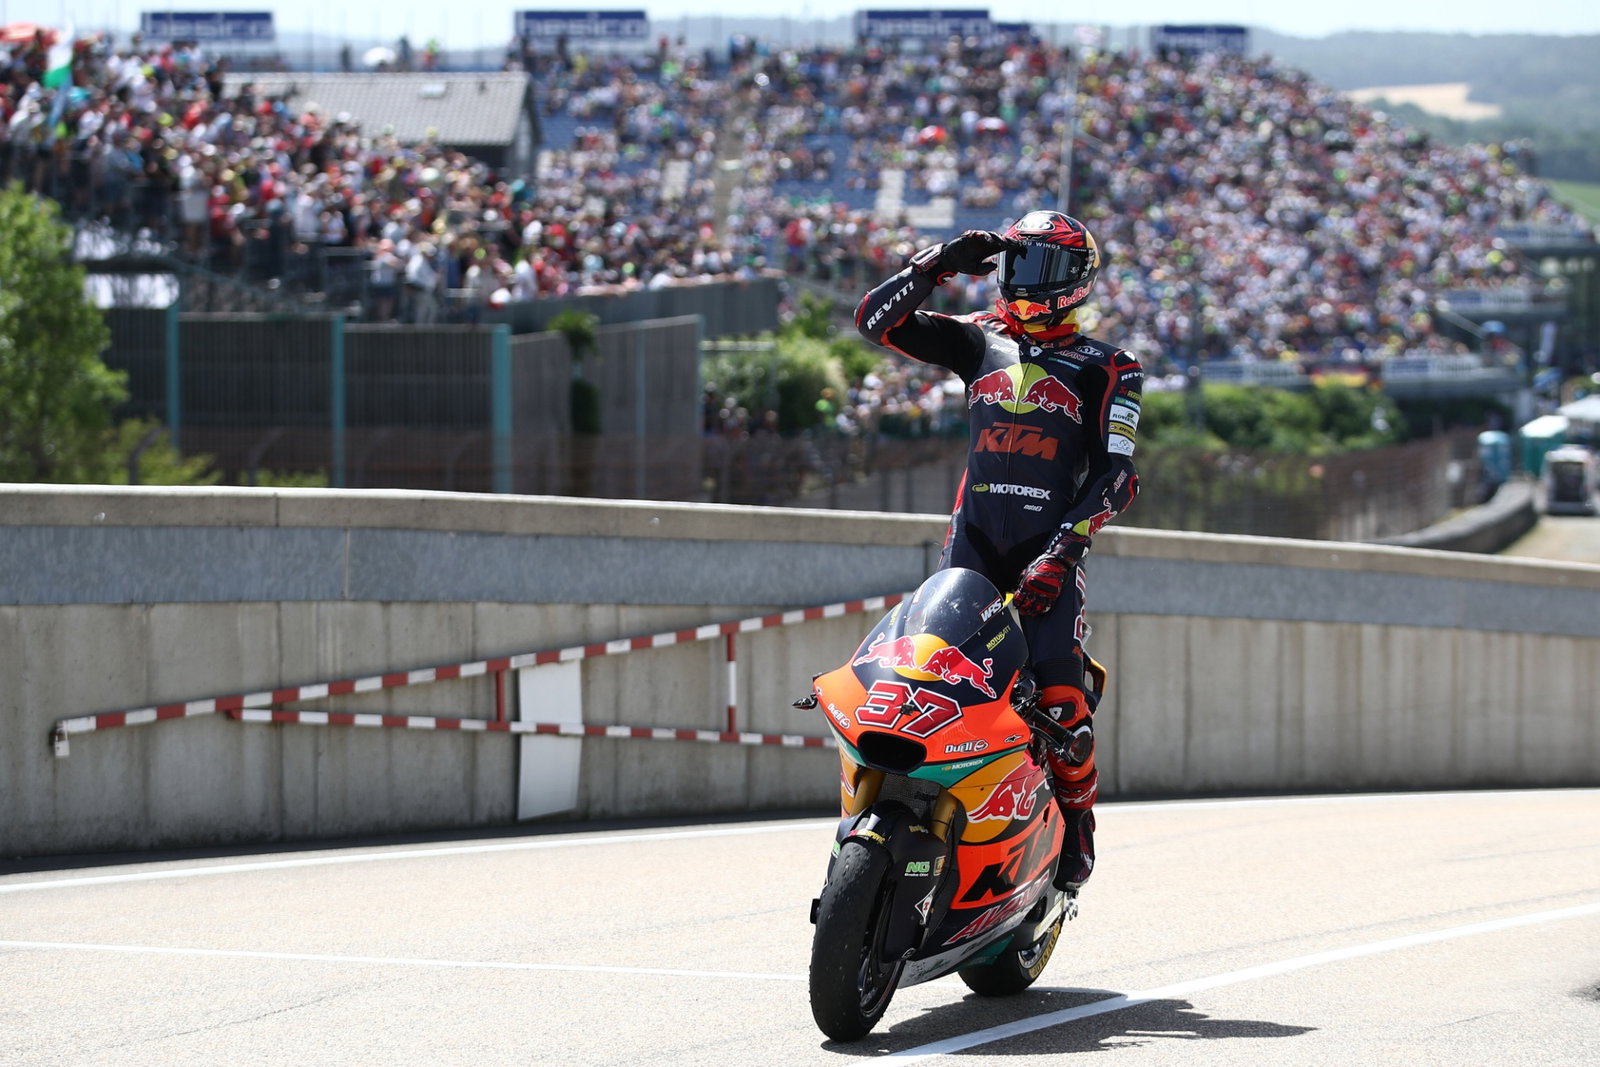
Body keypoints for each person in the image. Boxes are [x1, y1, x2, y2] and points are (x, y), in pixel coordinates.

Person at [855, 210, 1143, 897]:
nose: (1019, 279)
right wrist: (935, 265)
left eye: (1036, 266)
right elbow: (875, 322)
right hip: (969, 553)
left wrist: (1062, 552)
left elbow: (1118, 476)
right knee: (921, 681)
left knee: (1066, 704)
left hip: (1049, 560)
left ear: (1074, 281)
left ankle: (1078, 825)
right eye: (1015, 263)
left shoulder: (1111, 367)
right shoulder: (977, 341)